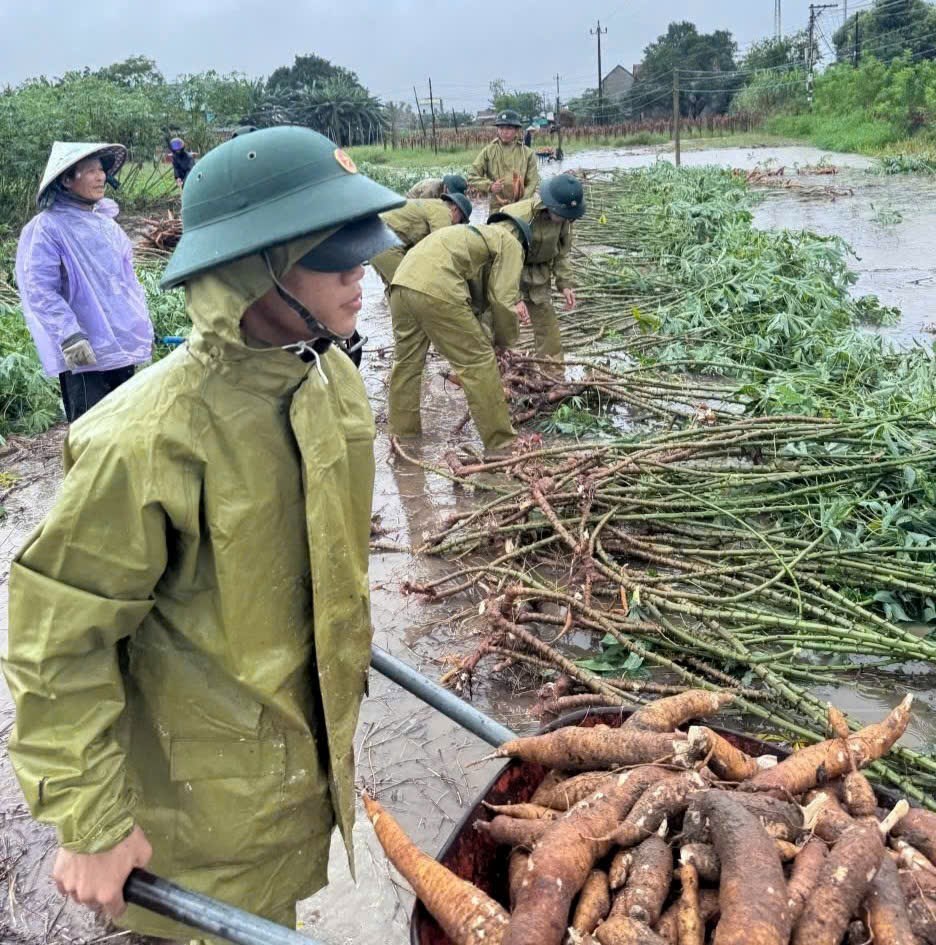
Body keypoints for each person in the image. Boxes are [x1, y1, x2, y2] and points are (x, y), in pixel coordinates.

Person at [2, 126, 404, 942]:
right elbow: (57, 641)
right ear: (257, 263)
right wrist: (93, 821)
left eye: (363, 250)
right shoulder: (146, 440)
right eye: (334, 256)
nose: (360, 272)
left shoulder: (326, 379)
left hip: (294, 775)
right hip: (196, 809)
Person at [15, 142, 154, 422]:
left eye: (101, 170)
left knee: (127, 429)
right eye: (90, 171)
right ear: (66, 180)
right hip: (83, 352)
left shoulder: (107, 225)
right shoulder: (48, 228)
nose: (100, 176)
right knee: (91, 434)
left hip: (120, 345)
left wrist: (141, 324)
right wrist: (69, 334)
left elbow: (125, 283)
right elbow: (40, 289)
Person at [388, 215, 531, 453]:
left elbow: (475, 305)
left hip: (402, 283)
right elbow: (503, 300)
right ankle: (502, 444)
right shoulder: (512, 243)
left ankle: (404, 437)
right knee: (479, 362)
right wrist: (504, 341)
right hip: (435, 286)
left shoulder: (472, 235)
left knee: (406, 365)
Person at [491, 173, 586, 367]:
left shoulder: (565, 220)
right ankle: (494, 368)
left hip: (539, 276)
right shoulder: (516, 217)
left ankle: (552, 375)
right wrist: (515, 299)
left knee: (547, 326)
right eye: (561, 215)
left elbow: (562, 253)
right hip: (509, 274)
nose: (563, 221)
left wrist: (565, 284)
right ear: (549, 205)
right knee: (501, 325)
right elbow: (499, 262)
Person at [370, 192, 473, 287]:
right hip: (383, 243)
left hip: (373, 240)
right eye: (461, 221)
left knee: (395, 290)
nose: (457, 225)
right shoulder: (443, 212)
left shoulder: (432, 205)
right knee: (412, 286)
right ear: (455, 209)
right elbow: (441, 246)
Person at [468, 109, 539, 215]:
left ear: (516, 130)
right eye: (501, 128)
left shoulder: (527, 153)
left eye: (509, 128)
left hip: (521, 208)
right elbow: (472, 175)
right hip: (497, 208)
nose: (504, 131)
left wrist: (521, 201)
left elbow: (533, 182)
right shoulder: (489, 151)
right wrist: (490, 186)